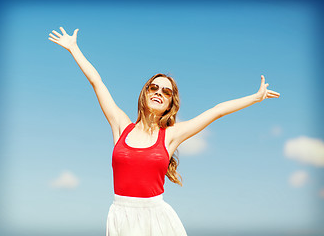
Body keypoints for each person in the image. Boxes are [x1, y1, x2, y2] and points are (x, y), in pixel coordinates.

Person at [48, 27, 281, 236]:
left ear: (170, 103)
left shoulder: (170, 136)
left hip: (157, 218)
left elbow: (216, 111)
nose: (159, 92)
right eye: (154, 87)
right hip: (121, 215)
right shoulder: (121, 125)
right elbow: (97, 83)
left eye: (167, 92)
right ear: (145, 93)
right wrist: (73, 49)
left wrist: (255, 97)